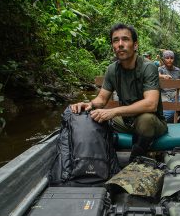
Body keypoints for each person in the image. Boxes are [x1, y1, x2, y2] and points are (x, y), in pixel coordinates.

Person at [71, 23, 167, 161]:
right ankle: (94, 159)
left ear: (135, 45)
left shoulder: (148, 67)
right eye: (116, 40)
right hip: (126, 122)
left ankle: (135, 161)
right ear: (113, 47)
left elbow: (151, 104)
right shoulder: (112, 70)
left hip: (153, 123)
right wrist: (89, 105)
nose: (120, 44)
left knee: (145, 119)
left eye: (125, 39)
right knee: (92, 116)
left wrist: (114, 111)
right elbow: (102, 99)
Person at [158, 50, 180, 123]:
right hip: (164, 95)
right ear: (164, 59)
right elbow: (154, 75)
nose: (169, 60)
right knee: (167, 114)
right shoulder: (160, 69)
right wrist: (163, 76)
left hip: (176, 94)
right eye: (167, 58)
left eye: (171, 58)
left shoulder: (178, 71)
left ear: (174, 59)